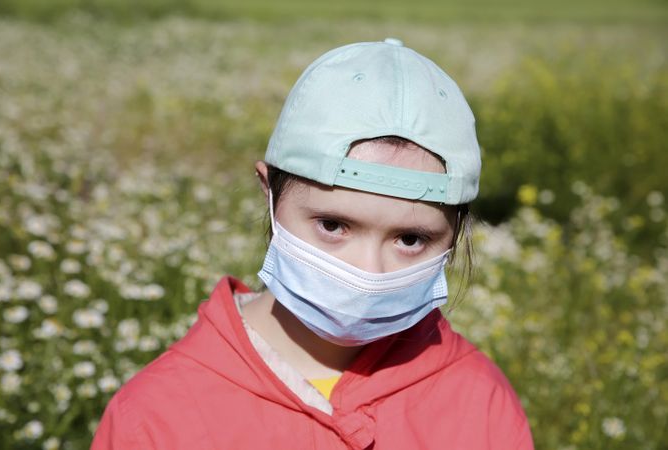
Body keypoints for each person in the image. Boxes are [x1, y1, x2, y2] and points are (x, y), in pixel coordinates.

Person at [91, 38, 534, 449]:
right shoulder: (154, 419)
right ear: (269, 192)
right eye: (333, 225)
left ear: (456, 232)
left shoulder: (480, 403)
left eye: (410, 238)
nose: (368, 272)